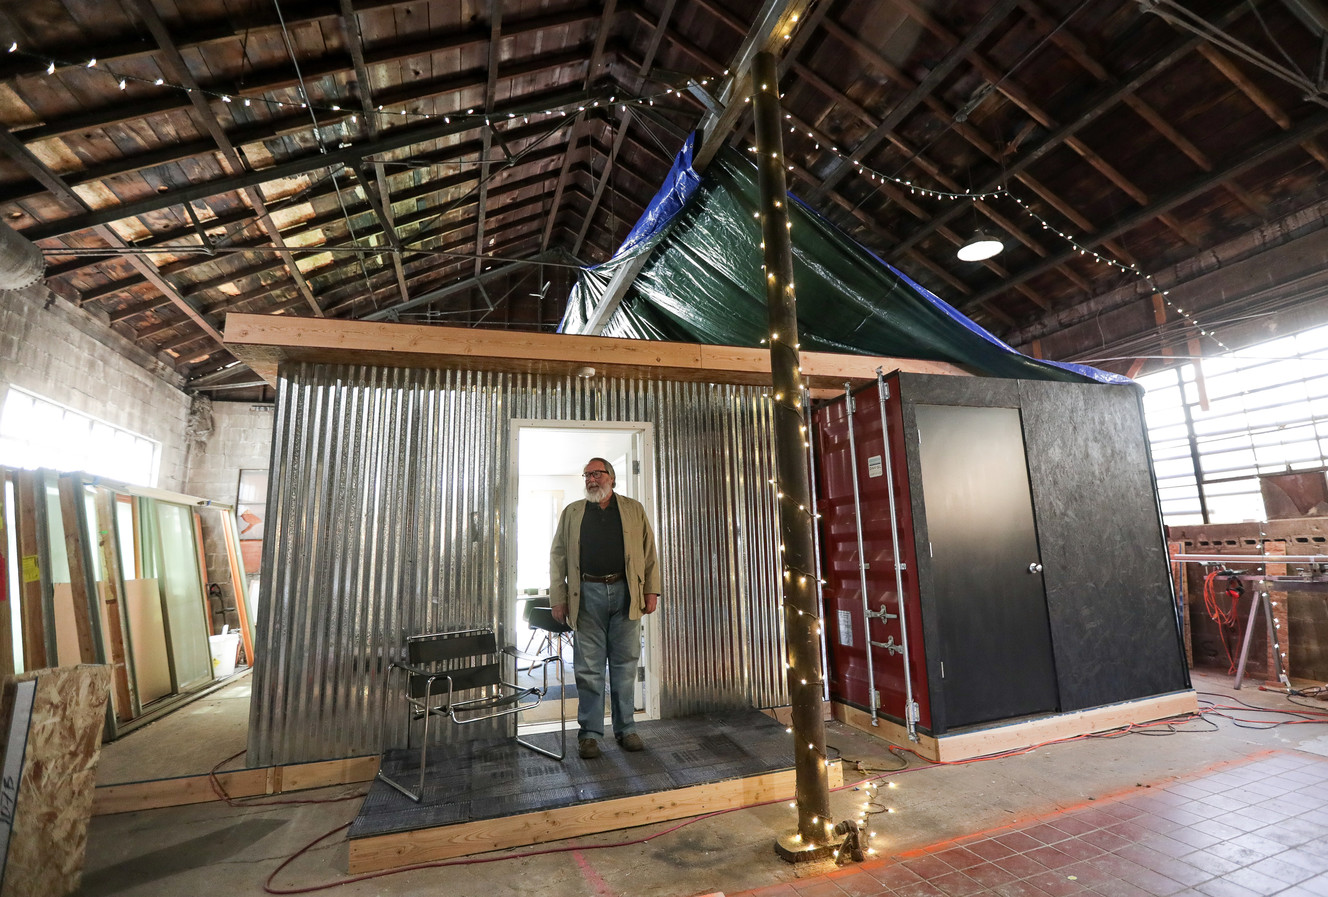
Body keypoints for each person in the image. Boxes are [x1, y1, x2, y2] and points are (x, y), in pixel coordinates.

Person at [549, 457, 661, 760]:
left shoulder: (633, 509)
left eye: (596, 474)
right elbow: (558, 556)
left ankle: (626, 729)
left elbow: (649, 552)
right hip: (586, 595)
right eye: (586, 475)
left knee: (625, 666)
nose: (590, 479)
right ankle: (589, 735)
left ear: (611, 477)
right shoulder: (572, 512)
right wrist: (558, 597)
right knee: (588, 669)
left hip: (627, 593)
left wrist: (651, 590)